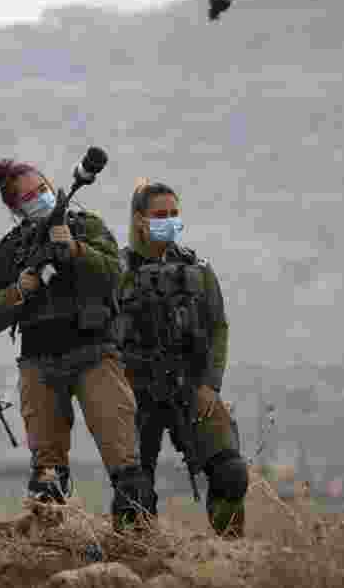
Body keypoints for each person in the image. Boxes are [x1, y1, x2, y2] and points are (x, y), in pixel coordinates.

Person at [0, 158, 153, 528]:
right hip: (39, 364)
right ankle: (50, 550)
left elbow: (117, 275)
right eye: (28, 197)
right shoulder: (10, 250)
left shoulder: (86, 227)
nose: (39, 198)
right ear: (15, 207)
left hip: (95, 355)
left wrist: (76, 252)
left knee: (126, 464)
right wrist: (18, 291)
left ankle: (138, 544)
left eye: (42, 190)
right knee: (47, 475)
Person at [116, 178, 248, 537]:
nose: (170, 220)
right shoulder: (116, 271)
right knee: (133, 493)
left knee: (231, 474)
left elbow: (219, 327)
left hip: (191, 386)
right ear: (140, 219)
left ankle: (230, 557)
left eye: (175, 213)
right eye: (161, 214)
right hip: (136, 392)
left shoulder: (198, 271)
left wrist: (209, 384)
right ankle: (137, 560)